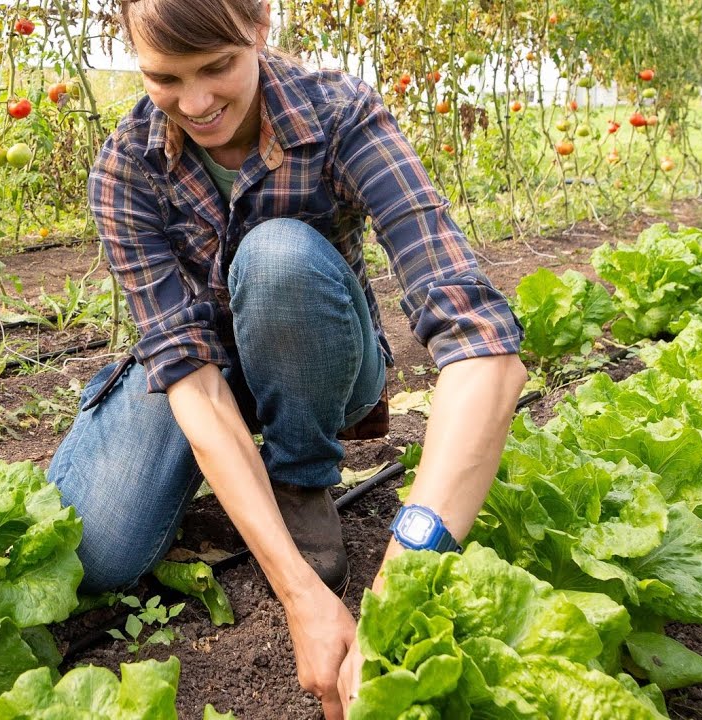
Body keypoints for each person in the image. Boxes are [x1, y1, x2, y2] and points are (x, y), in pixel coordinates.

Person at [47, 0, 528, 717]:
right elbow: (189, 374)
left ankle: (301, 479)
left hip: (321, 351)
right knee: (98, 557)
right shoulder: (126, 166)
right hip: (205, 376)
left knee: (277, 254)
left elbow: (483, 345)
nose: (198, 102)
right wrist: (299, 594)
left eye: (218, 67)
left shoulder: (339, 113)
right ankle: (219, 477)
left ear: (261, 26)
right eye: (165, 77)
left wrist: (399, 584)